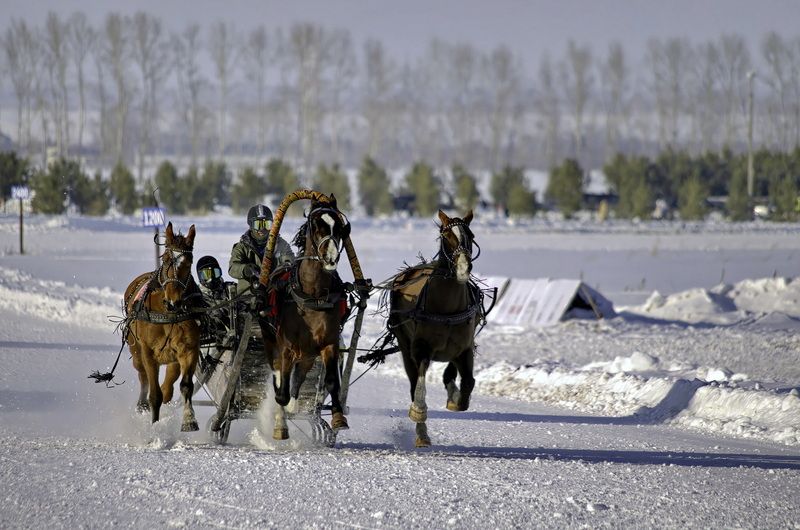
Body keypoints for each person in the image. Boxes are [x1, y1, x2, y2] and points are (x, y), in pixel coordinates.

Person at [229, 204, 295, 296]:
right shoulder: (242, 247)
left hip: (275, 292)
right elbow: (232, 268)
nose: (262, 229)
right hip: (248, 294)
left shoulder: (280, 243)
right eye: (258, 225)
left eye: (266, 224)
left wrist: (283, 270)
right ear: (250, 225)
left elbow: (289, 260)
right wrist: (245, 269)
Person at [196, 255, 236, 347]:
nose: (212, 278)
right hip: (210, 344)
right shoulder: (198, 297)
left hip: (237, 339)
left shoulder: (230, 289)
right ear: (200, 276)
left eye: (215, 273)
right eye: (207, 274)